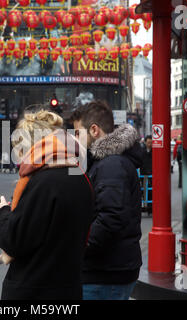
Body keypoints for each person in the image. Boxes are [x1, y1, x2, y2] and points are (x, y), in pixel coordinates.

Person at [0, 110, 94, 300]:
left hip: (36, 289)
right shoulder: (78, 175)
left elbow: (15, 241)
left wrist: (2, 211)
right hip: (68, 287)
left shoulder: (44, 182)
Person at [70, 100, 143, 300]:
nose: (75, 139)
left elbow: (110, 218)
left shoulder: (111, 165)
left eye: (78, 133)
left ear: (94, 130)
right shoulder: (105, 162)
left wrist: (77, 248)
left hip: (105, 274)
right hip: (109, 270)